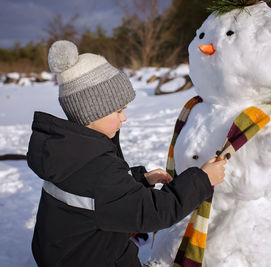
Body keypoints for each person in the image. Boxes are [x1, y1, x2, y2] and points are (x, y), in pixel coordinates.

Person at [27, 40, 226, 267]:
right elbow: (154, 212)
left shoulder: (69, 154)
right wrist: (203, 179)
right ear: (92, 113)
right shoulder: (99, 171)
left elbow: (97, 196)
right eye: (118, 110)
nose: (124, 118)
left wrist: (139, 180)